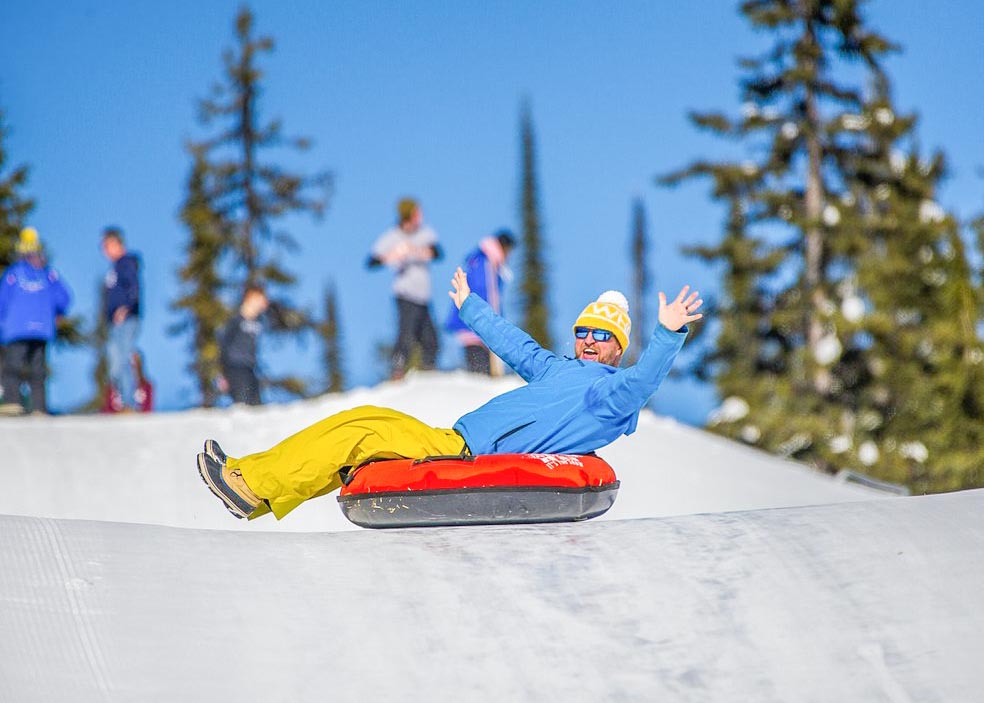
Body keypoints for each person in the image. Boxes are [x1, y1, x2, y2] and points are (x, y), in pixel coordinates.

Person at [197, 265, 703, 520]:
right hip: (454, 438)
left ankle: (250, 484)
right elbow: (517, 345)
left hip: (466, 452)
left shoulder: (611, 395)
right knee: (359, 425)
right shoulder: (556, 369)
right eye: (584, 331)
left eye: (603, 336)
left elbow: (644, 381)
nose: (590, 341)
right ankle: (255, 488)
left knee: (365, 426)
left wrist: (667, 334)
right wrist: (471, 306)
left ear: (618, 347)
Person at [367, 197, 443, 380]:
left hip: (423, 295)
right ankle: (398, 369)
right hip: (406, 294)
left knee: (430, 337)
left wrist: (420, 252)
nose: (421, 216)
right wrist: (391, 257)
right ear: (409, 214)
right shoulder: (392, 237)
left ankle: (429, 368)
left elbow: (438, 252)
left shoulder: (425, 233)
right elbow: (372, 261)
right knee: (406, 333)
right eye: (418, 212)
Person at [0, 227, 72, 415]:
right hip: (42, 329)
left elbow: (2, 300)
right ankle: (39, 407)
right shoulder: (48, 274)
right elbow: (64, 297)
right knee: (37, 369)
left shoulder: (13, 274)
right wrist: (57, 312)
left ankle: (12, 402)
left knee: (13, 366)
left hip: (16, 329)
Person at [445, 229, 516, 375]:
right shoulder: (486, 263)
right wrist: (492, 321)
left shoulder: (485, 261)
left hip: (475, 324)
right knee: (480, 372)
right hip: (476, 326)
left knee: (481, 368)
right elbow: (485, 292)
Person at [101, 226, 142, 412]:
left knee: (123, 359)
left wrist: (126, 308)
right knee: (114, 364)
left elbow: (133, 288)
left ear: (116, 243)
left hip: (126, 321)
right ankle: (122, 401)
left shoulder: (126, 263)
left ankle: (129, 403)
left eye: (106, 245)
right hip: (115, 323)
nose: (104, 250)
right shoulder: (115, 267)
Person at [219, 284, 269, 406]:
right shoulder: (236, 321)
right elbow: (224, 346)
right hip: (235, 369)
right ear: (250, 298)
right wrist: (223, 375)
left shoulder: (259, 321)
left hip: (250, 368)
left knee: (257, 405)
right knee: (243, 406)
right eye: (260, 299)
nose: (264, 302)